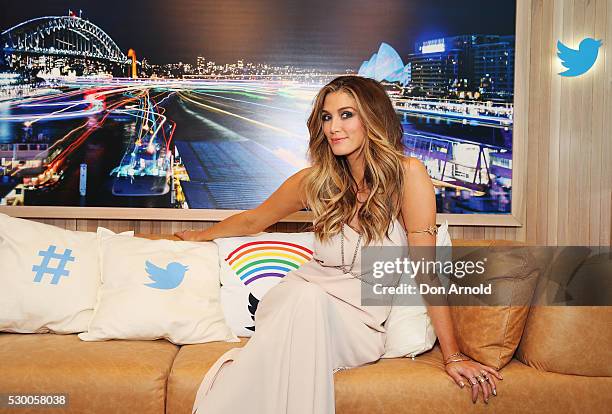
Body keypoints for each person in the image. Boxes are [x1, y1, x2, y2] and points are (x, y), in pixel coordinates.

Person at [176, 76, 502, 413]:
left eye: (346, 114)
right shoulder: (313, 181)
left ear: (372, 118)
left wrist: (453, 355)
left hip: (359, 326)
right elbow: (252, 221)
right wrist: (197, 237)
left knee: (304, 310)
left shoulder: (408, 175)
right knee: (307, 296)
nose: (333, 127)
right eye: (327, 117)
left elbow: (427, 272)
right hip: (293, 301)